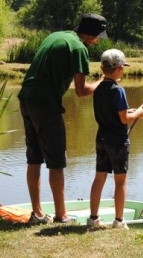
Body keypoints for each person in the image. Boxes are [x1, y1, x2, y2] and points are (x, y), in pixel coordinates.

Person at [18, 13, 108, 224]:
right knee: (56, 161)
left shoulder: (57, 35)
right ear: (91, 34)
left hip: (26, 98)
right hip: (46, 105)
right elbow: (82, 91)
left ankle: (38, 214)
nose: (97, 41)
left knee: (34, 157)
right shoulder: (79, 48)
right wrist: (101, 82)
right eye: (97, 37)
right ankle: (61, 215)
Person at [87, 49, 143, 229]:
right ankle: (119, 221)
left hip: (101, 139)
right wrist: (138, 113)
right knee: (120, 181)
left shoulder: (98, 89)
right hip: (118, 142)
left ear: (102, 68)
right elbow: (123, 119)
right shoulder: (118, 91)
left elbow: (113, 113)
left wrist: (131, 111)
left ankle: (93, 219)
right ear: (120, 68)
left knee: (99, 178)